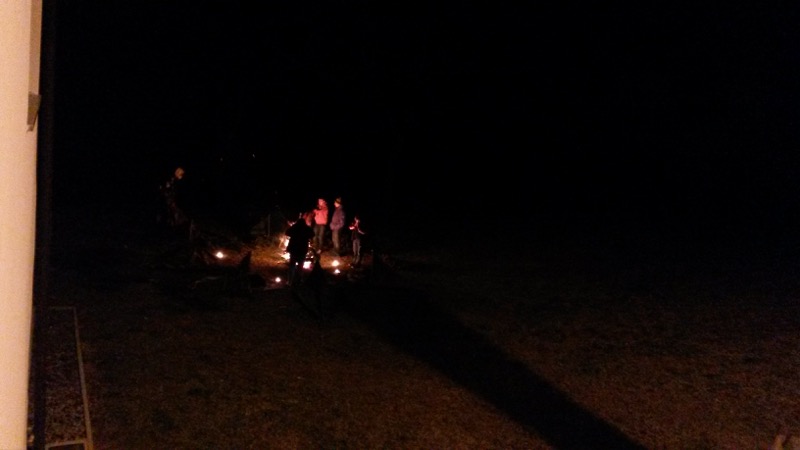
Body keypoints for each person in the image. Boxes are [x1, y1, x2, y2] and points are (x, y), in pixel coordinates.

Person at [284, 212, 314, 287]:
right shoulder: (306, 228)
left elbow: (287, 232)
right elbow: (312, 234)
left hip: (294, 249)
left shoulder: (295, 227)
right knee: (300, 266)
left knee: (292, 265)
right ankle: (298, 281)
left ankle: (290, 281)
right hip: (302, 249)